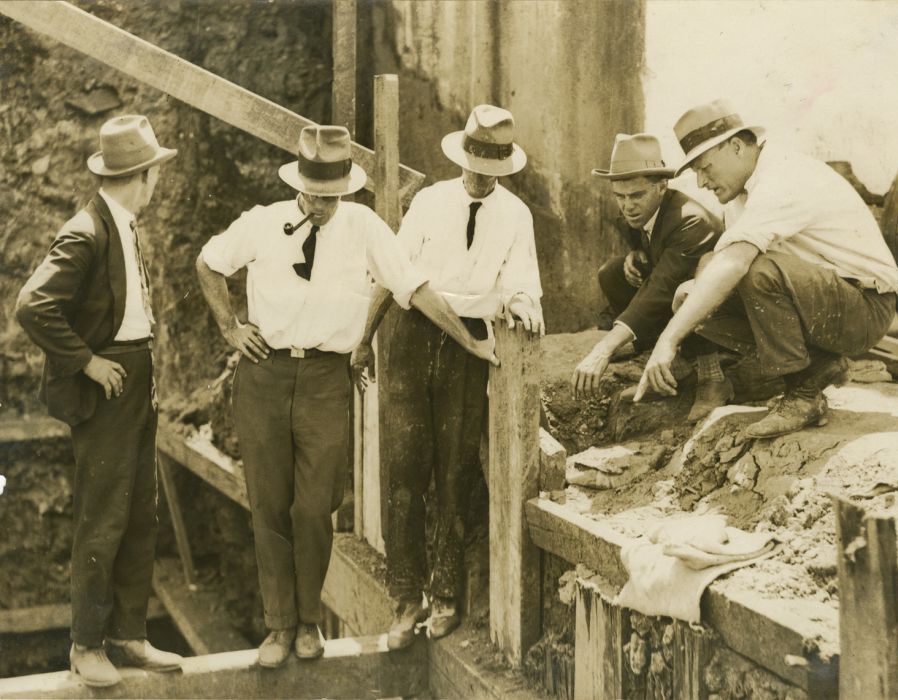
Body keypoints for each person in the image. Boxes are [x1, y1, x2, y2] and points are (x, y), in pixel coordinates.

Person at [195, 124, 496, 668]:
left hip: (326, 381)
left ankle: (309, 621)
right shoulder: (262, 223)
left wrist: (470, 342)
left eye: (332, 198)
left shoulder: (364, 226)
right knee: (268, 503)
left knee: (314, 506)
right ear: (298, 187)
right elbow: (208, 263)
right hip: (263, 375)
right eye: (314, 196)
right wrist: (230, 327)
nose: (322, 207)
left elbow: (414, 286)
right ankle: (278, 627)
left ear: (346, 191)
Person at [351, 104, 544, 650]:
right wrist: (366, 340)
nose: (480, 177)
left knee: (455, 472)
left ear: (504, 170)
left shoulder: (517, 216)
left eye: (492, 169)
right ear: (462, 157)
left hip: (471, 346)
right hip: (412, 335)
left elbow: (521, 280)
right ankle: (405, 597)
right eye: (474, 164)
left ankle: (446, 594)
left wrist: (525, 303)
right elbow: (392, 274)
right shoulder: (430, 202)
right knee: (404, 469)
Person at [16, 115, 183, 687]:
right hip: (106, 383)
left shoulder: (124, 224)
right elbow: (33, 306)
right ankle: (86, 644)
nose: (157, 183)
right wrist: (87, 361)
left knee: (140, 510)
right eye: (154, 174)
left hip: (136, 376)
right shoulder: (85, 232)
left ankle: (128, 635)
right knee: (103, 514)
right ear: (141, 177)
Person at [635, 99, 898, 438]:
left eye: (706, 168)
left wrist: (668, 340)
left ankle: (803, 396)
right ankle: (819, 368)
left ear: (735, 146)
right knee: (690, 297)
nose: (702, 182)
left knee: (753, 270)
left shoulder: (782, 176)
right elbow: (717, 263)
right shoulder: (739, 194)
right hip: (828, 303)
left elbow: (737, 262)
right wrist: (690, 307)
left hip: (866, 306)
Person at [572, 133, 728, 422]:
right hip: (672, 285)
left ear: (662, 186)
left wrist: (604, 348)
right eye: (620, 197)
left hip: (721, 311)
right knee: (613, 272)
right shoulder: (635, 214)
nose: (627, 205)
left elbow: (660, 289)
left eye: (636, 196)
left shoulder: (690, 220)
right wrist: (635, 253)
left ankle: (712, 377)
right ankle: (662, 362)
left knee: (687, 291)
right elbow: (650, 246)